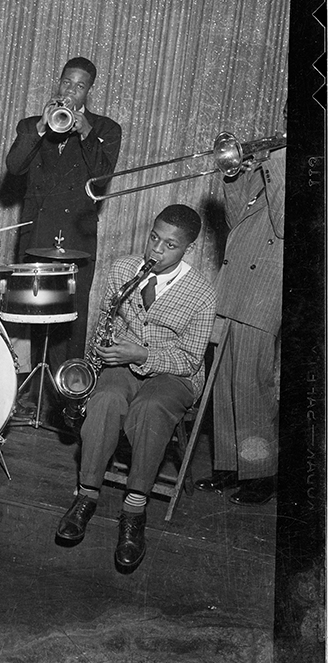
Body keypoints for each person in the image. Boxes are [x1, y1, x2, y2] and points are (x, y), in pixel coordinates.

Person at [54, 204, 215, 570]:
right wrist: (104, 356)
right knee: (107, 397)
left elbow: (190, 359)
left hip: (175, 375)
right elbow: (108, 323)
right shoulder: (124, 269)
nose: (156, 251)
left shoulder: (202, 293)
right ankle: (87, 495)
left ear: (187, 249)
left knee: (150, 408)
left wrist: (142, 353)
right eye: (154, 238)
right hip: (123, 364)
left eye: (169, 246)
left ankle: (134, 511)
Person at [5, 57, 121, 367]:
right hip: (36, 234)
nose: (71, 91)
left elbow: (103, 177)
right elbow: (15, 167)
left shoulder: (106, 129)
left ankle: (62, 398)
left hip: (76, 237)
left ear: (89, 91)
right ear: (59, 82)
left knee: (69, 320)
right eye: (67, 83)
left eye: (80, 86)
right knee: (26, 316)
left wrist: (86, 134)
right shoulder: (32, 125)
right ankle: (25, 397)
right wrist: (42, 127)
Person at [194, 141, 285, 505]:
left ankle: (262, 474)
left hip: (264, 294)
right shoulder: (271, 171)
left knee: (251, 386)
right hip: (233, 289)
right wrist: (232, 175)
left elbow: (284, 222)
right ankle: (230, 466)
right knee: (224, 383)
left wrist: (277, 160)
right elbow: (235, 220)